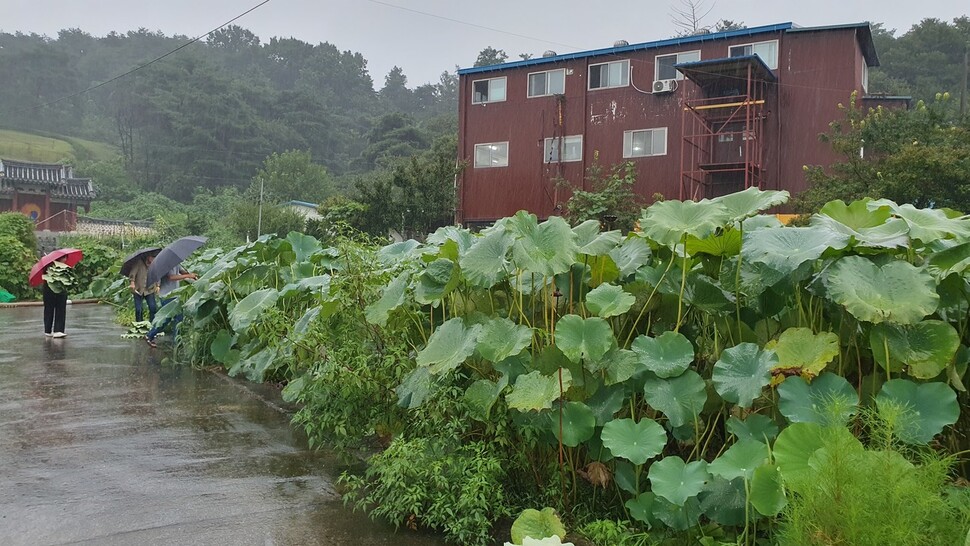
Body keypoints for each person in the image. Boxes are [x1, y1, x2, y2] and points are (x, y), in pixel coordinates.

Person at [145, 266, 198, 348]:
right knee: (166, 319)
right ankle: (150, 335)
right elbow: (171, 277)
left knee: (179, 318)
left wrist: (190, 274)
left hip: (175, 295)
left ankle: (177, 342)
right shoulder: (167, 264)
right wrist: (188, 276)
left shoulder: (176, 262)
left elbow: (182, 271)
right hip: (167, 295)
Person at [42, 257, 70, 338]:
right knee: (48, 309)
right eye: (64, 258)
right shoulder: (48, 267)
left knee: (61, 309)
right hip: (49, 290)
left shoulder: (65, 267)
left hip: (61, 291)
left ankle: (59, 330)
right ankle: (47, 330)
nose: (65, 259)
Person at [128, 253, 158, 323]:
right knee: (138, 309)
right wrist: (132, 283)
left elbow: (157, 275)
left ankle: (152, 324)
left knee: (153, 307)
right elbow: (133, 273)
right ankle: (139, 324)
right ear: (148, 256)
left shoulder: (155, 264)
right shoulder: (139, 262)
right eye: (152, 257)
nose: (153, 259)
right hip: (138, 289)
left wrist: (158, 285)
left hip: (150, 289)